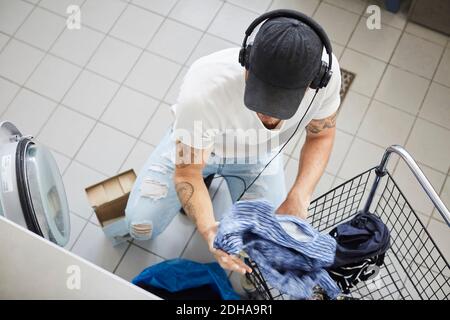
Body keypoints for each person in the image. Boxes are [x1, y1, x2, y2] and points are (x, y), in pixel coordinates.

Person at [125, 10, 341, 276]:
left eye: (281, 103)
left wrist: (299, 196)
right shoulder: (203, 90)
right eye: (261, 98)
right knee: (140, 226)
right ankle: (187, 145)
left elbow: (321, 135)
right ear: (246, 62)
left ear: (313, 82)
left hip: (258, 155)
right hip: (200, 147)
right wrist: (207, 229)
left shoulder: (326, 80)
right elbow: (187, 172)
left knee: (266, 243)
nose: (269, 114)